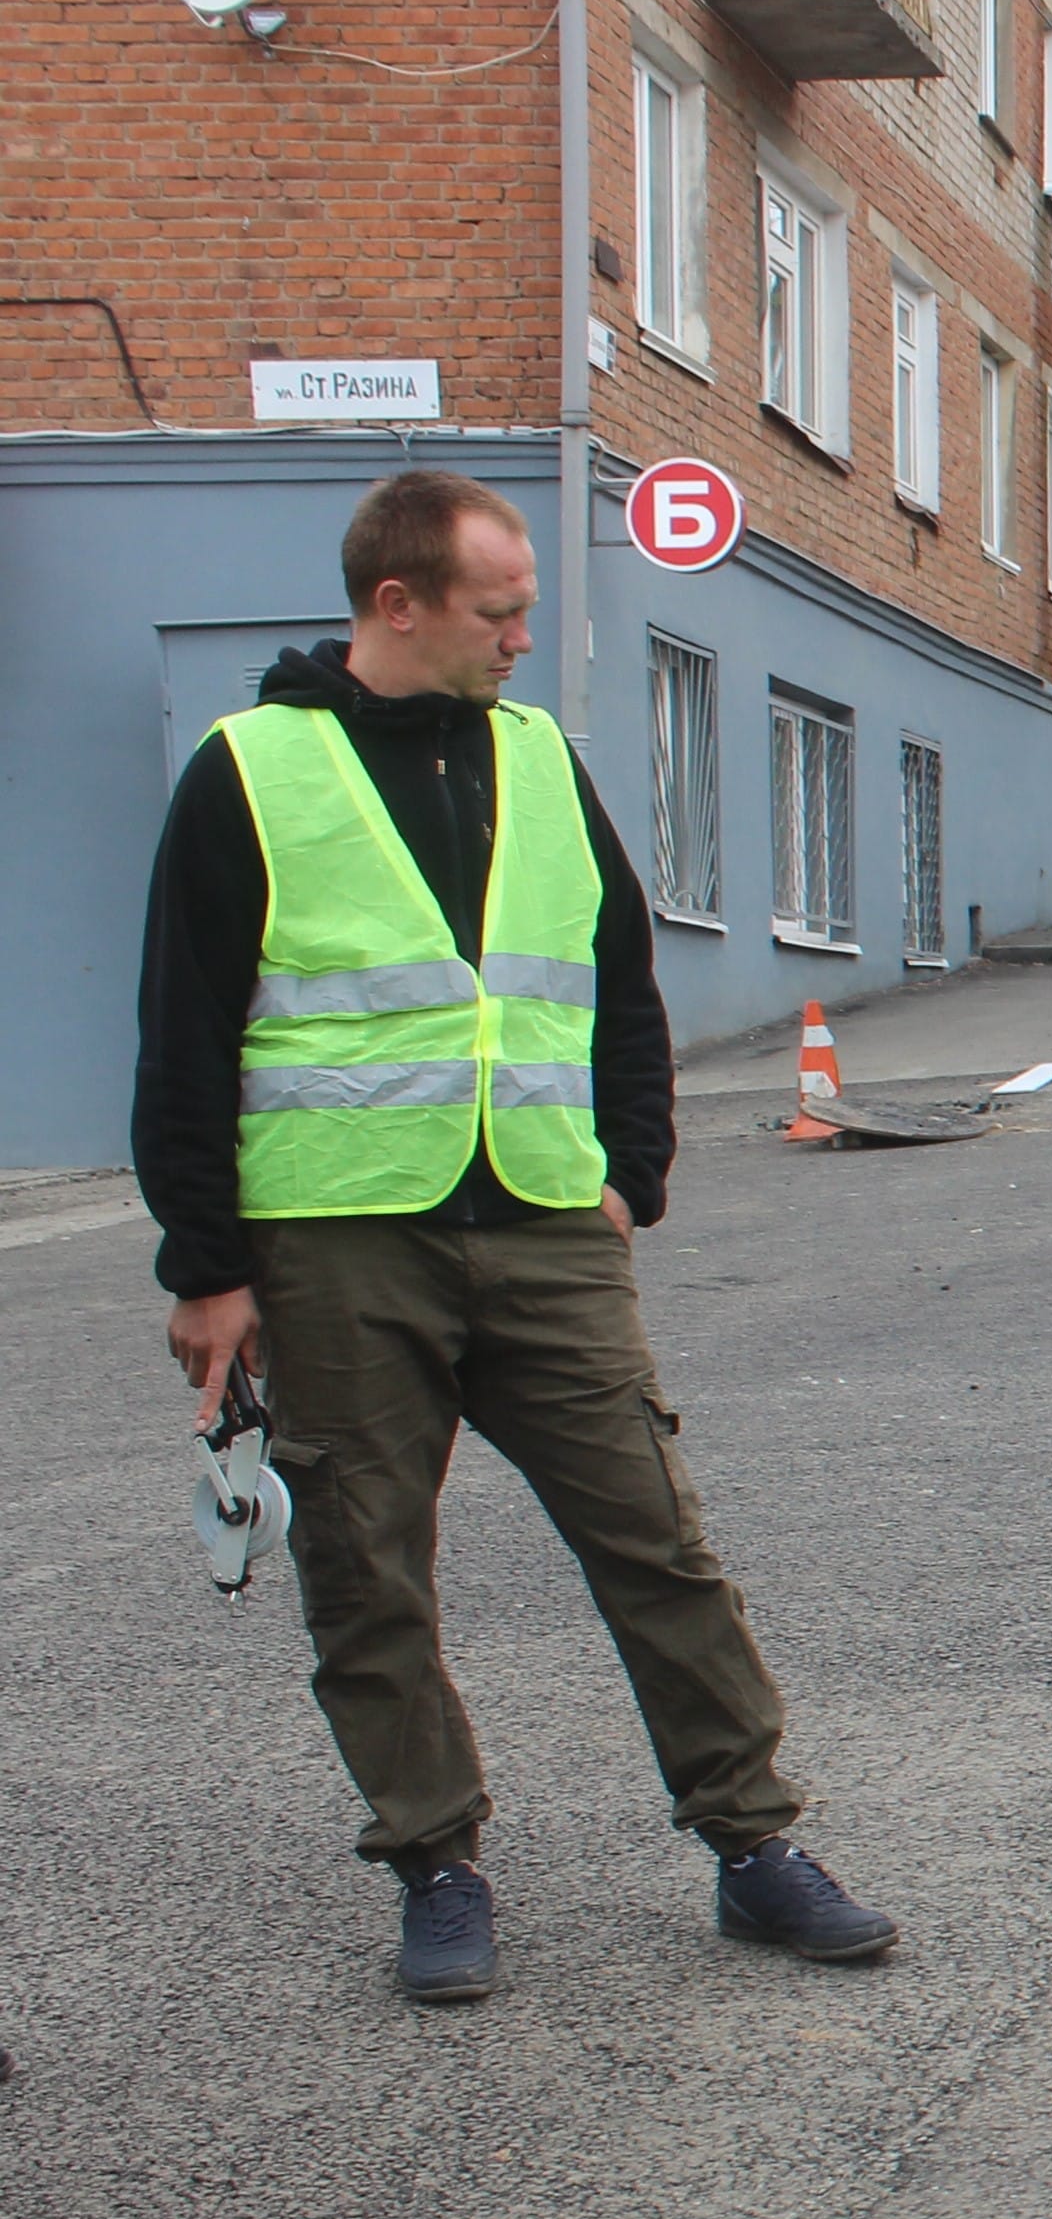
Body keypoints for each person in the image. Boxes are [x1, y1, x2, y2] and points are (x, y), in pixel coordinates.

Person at [134, 468, 896, 2005]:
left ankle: (753, 1844)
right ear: (397, 604)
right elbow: (185, 1027)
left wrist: (632, 1174)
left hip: (546, 1227)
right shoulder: (250, 771)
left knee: (655, 1543)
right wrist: (206, 1268)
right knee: (365, 1571)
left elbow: (617, 974)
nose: (524, 637)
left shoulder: (539, 758)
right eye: (500, 610)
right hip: (339, 1244)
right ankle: (435, 1862)